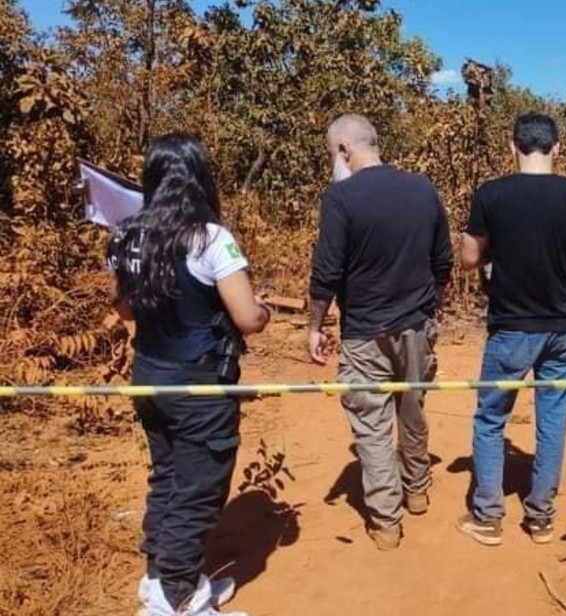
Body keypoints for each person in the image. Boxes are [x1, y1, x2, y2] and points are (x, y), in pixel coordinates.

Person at [107, 134, 271, 616]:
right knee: (198, 490)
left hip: (149, 376)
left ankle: (164, 580)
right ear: (200, 178)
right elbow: (247, 319)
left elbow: (126, 310)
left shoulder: (125, 235)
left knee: (169, 479)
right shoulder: (210, 238)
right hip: (198, 385)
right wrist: (263, 313)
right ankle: (175, 602)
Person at [456, 112, 566, 547]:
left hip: (511, 329)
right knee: (553, 421)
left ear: (513, 146)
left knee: (490, 419)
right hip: (561, 328)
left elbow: (469, 258)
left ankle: (487, 516)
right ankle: (540, 517)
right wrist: (564, 256)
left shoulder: (492, 195)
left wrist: (501, 247)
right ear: (557, 148)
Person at [308, 113, 452, 551]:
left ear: (344, 150)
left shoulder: (341, 198)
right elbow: (442, 261)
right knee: (412, 408)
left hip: (364, 333)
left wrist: (314, 325)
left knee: (372, 427)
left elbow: (327, 271)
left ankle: (387, 524)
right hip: (416, 327)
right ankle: (417, 491)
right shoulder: (423, 189)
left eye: (334, 153)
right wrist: (434, 309)